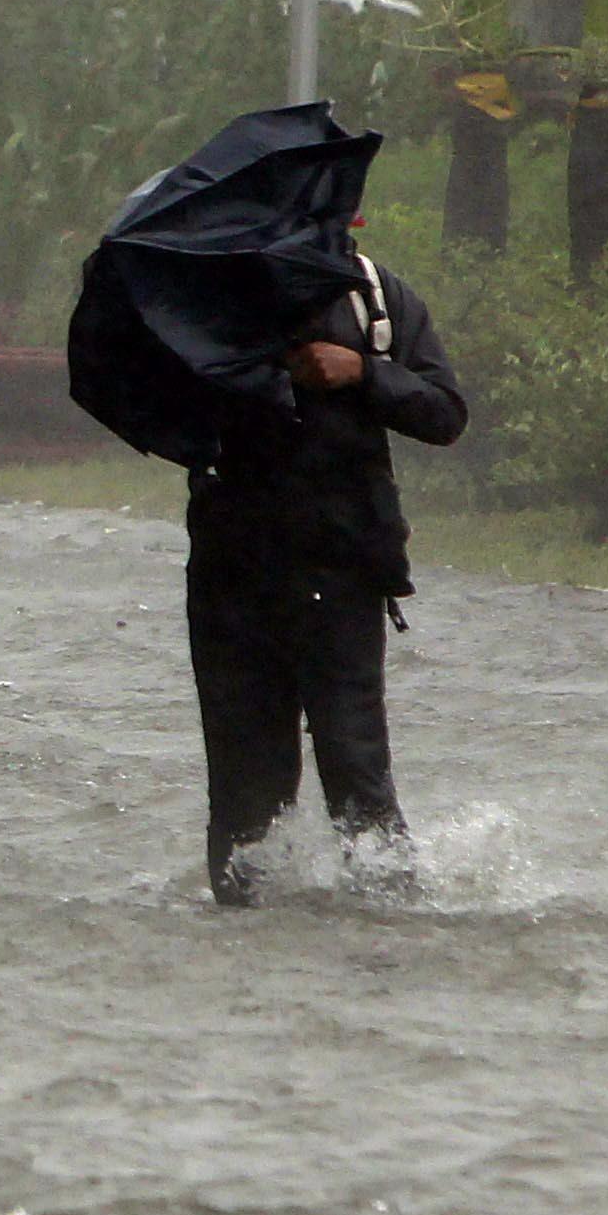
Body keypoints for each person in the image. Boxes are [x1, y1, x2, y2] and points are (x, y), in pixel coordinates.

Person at [184, 248, 469, 906]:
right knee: (242, 792)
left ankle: (386, 922)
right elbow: (160, 409)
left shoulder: (373, 294)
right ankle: (242, 941)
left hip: (342, 575)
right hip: (231, 584)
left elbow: (445, 413)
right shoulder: (204, 301)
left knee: (358, 772)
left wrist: (362, 373)